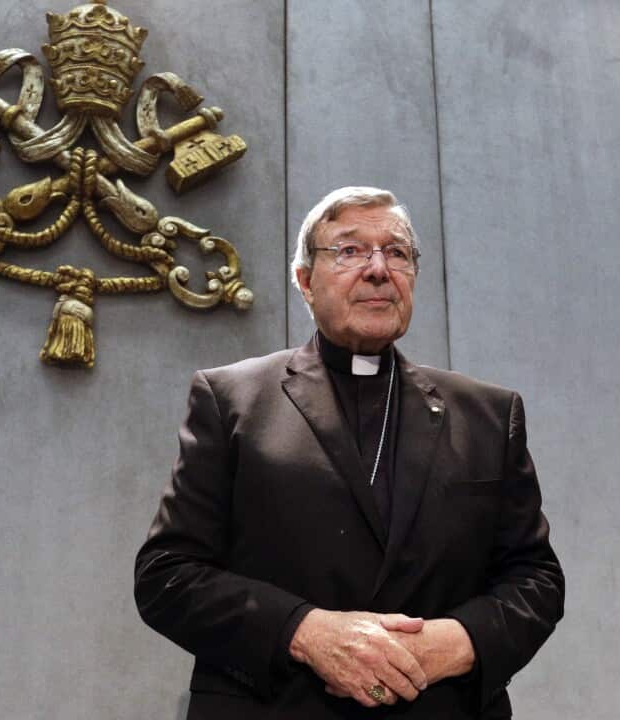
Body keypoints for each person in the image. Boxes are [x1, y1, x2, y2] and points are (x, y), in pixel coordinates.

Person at [134, 186, 564, 719]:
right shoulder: (233, 401)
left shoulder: (488, 415)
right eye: (350, 250)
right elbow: (167, 575)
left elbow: (537, 580)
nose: (379, 269)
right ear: (305, 281)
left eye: (397, 252)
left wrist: (455, 643)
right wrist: (305, 631)